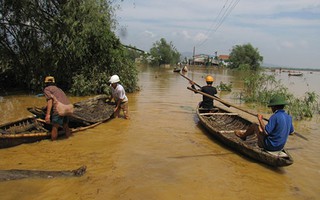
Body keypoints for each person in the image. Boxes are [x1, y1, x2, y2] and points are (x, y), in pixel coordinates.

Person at [43, 76, 71, 140]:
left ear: (46, 83)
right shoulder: (59, 89)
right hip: (67, 108)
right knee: (65, 125)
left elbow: (50, 101)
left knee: (55, 126)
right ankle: (69, 140)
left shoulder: (47, 89)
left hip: (59, 109)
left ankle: (54, 144)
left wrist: (48, 115)